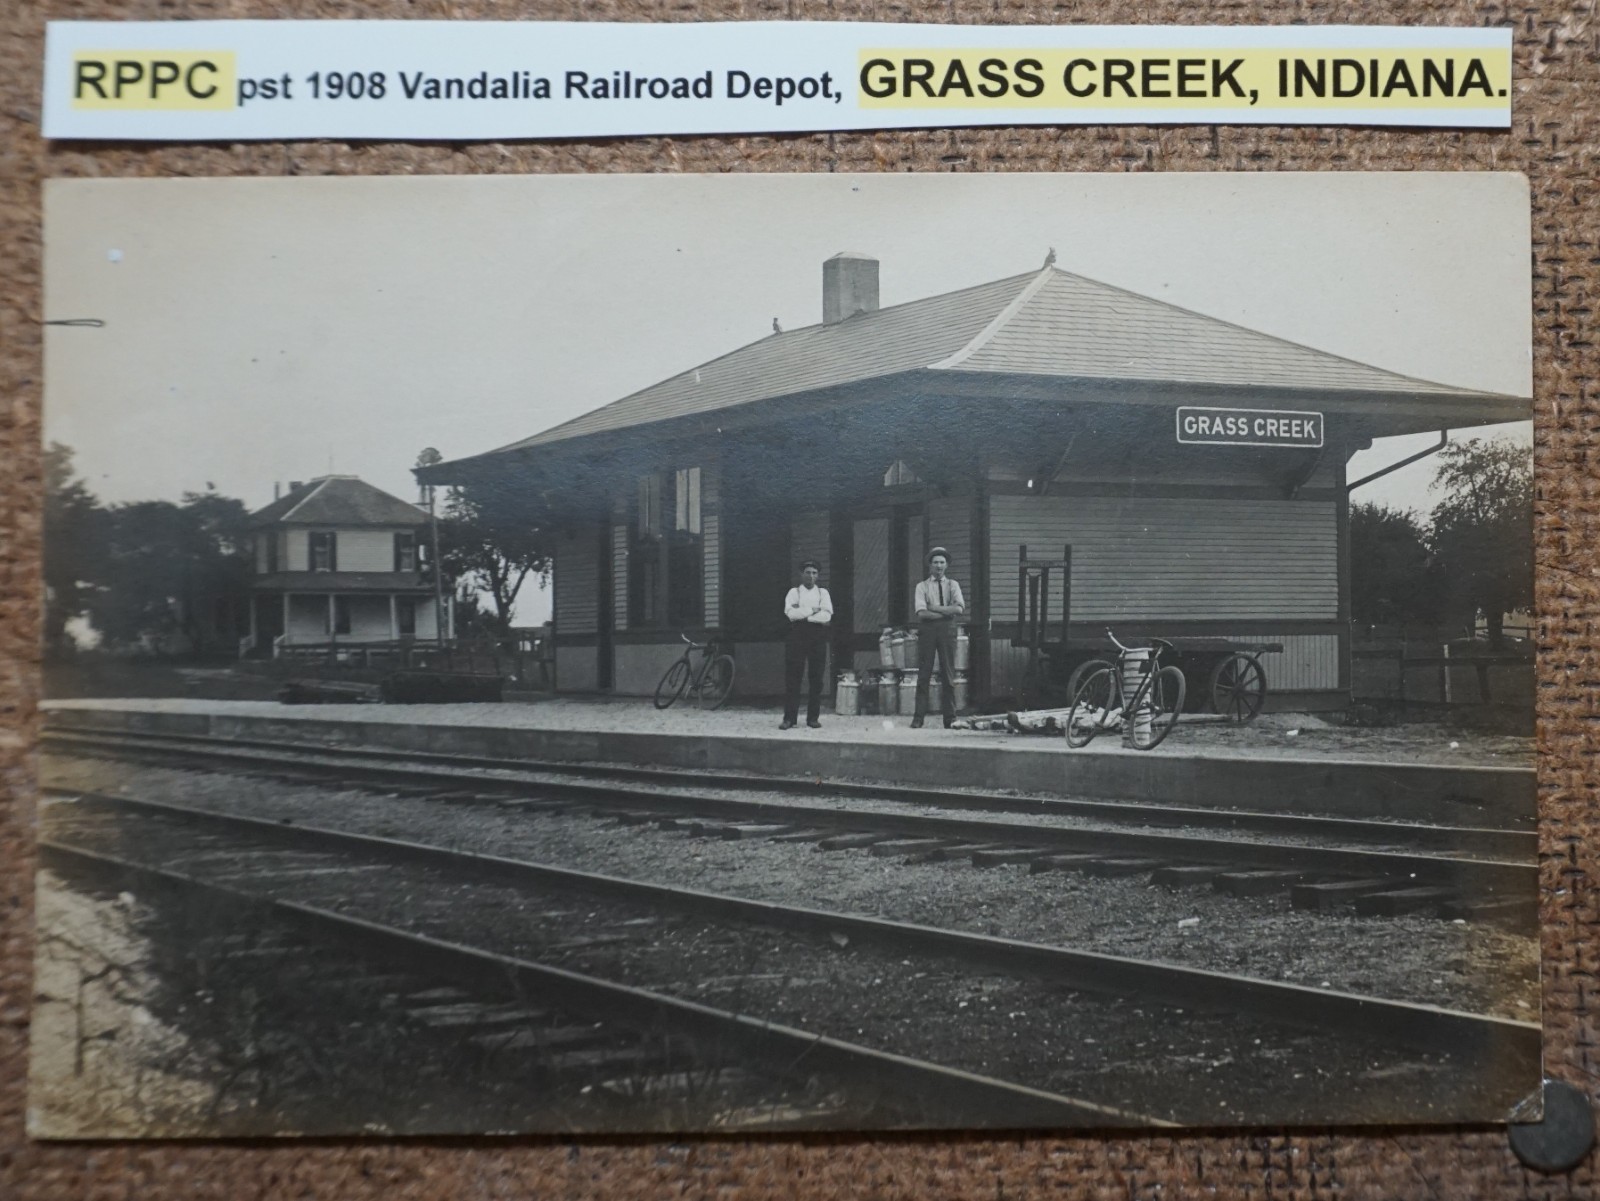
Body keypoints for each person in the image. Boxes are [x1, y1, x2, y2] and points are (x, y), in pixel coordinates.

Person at [912, 547, 965, 729]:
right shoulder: (922, 586)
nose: (939, 566)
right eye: (935, 562)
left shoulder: (953, 585)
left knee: (948, 673)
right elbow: (922, 613)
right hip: (928, 631)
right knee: (924, 674)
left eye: (942, 562)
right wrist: (946, 613)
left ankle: (950, 718)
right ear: (930, 565)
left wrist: (934, 608)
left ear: (947, 565)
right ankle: (918, 718)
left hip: (947, 632)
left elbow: (959, 609)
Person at [781, 560, 832, 729]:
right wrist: (814, 610)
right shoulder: (793, 592)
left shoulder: (823, 593)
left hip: (817, 636)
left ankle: (812, 718)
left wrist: (805, 613)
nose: (811, 576)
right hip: (797, 636)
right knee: (793, 677)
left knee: (816, 678)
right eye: (808, 572)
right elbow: (791, 615)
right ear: (801, 574)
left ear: (818, 575)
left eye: (814, 573)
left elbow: (826, 616)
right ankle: (789, 718)